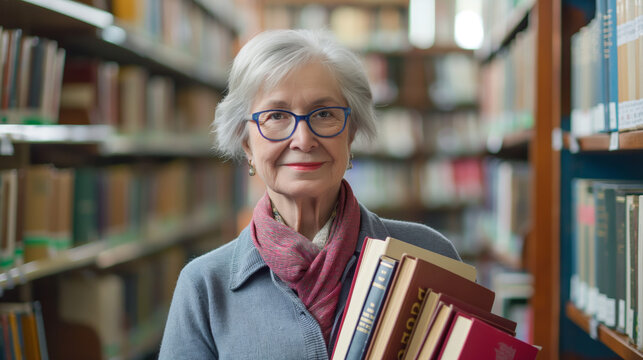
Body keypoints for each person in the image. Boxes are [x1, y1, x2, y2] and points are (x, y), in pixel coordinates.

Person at [159, 29, 461, 360]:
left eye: (324, 114)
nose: (303, 140)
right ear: (247, 144)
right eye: (276, 116)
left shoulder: (430, 257)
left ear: (351, 134)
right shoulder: (204, 287)